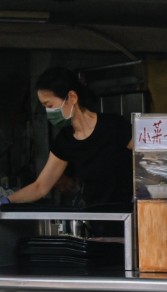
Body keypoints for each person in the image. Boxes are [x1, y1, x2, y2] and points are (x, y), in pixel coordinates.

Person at [1, 67, 132, 209]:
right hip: (96, 218)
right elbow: (40, 187)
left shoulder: (115, 126)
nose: (48, 112)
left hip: (129, 215)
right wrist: (7, 200)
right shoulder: (65, 141)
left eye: (49, 105)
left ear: (72, 97)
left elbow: (145, 158)